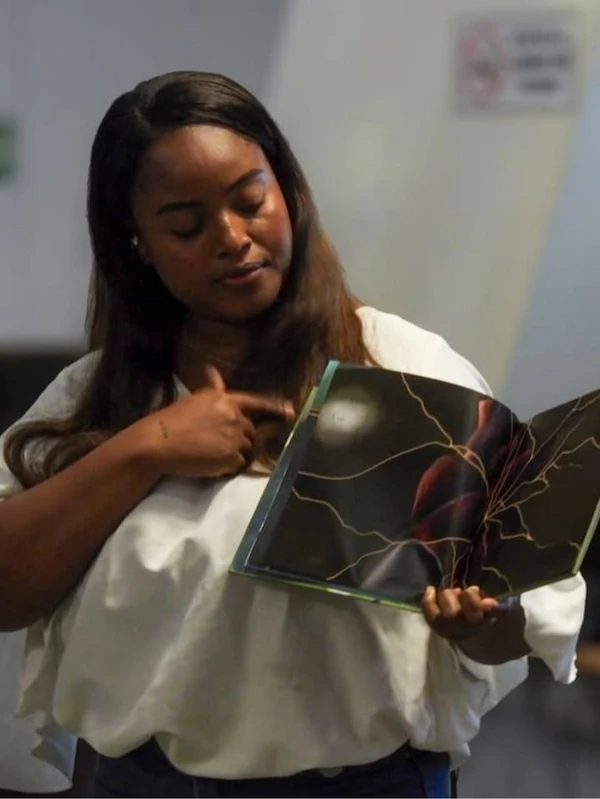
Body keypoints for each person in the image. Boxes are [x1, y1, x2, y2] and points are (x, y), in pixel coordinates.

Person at [0, 71, 585, 798]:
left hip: (365, 786)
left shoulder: (405, 369)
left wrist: (480, 623)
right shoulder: (98, 398)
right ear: (137, 242)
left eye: (251, 202)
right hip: (139, 783)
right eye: (185, 225)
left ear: (288, 192)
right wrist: (147, 447)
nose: (233, 239)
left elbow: (518, 615)